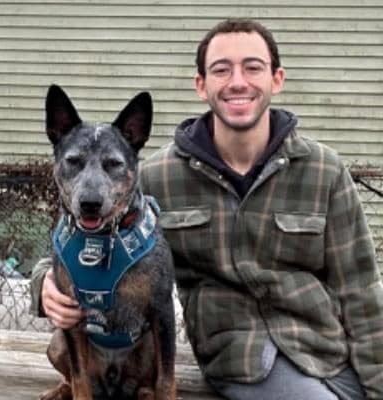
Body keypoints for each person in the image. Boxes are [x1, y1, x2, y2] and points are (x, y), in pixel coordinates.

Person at [30, 19, 383, 399]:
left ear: (277, 79)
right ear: (201, 85)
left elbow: (360, 289)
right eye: (221, 69)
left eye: (253, 67)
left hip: (327, 349)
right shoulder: (156, 175)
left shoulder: (324, 170)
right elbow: (82, 238)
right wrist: (43, 283)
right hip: (243, 356)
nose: (237, 81)